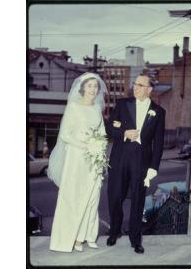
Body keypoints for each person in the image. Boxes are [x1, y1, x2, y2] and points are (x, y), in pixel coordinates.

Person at [47, 72, 107, 252]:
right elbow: (65, 134)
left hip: (94, 158)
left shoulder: (97, 108)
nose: (93, 89)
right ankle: (73, 238)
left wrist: (99, 147)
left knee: (92, 196)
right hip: (76, 157)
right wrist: (85, 145)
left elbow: (102, 132)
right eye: (89, 86)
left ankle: (88, 235)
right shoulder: (73, 106)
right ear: (82, 88)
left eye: (95, 86)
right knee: (74, 197)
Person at [106, 74, 165, 254]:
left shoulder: (159, 111)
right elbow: (109, 129)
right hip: (120, 157)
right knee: (115, 196)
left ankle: (135, 239)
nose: (135, 87)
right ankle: (115, 231)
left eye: (140, 85)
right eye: (135, 84)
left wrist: (153, 167)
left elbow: (159, 142)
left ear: (149, 90)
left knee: (138, 200)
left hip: (142, 160)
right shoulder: (123, 104)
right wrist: (124, 132)